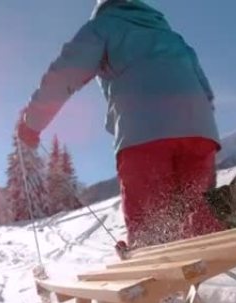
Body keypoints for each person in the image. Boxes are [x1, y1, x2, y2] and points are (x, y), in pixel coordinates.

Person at [17, 0, 224, 249]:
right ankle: (228, 216)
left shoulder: (102, 27)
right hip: (200, 131)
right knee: (195, 211)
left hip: (145, 134)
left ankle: (151, 257)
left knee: (151, 226)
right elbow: (206, 92)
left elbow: (64, 75)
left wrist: (31, 123)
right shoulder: (170, 35)